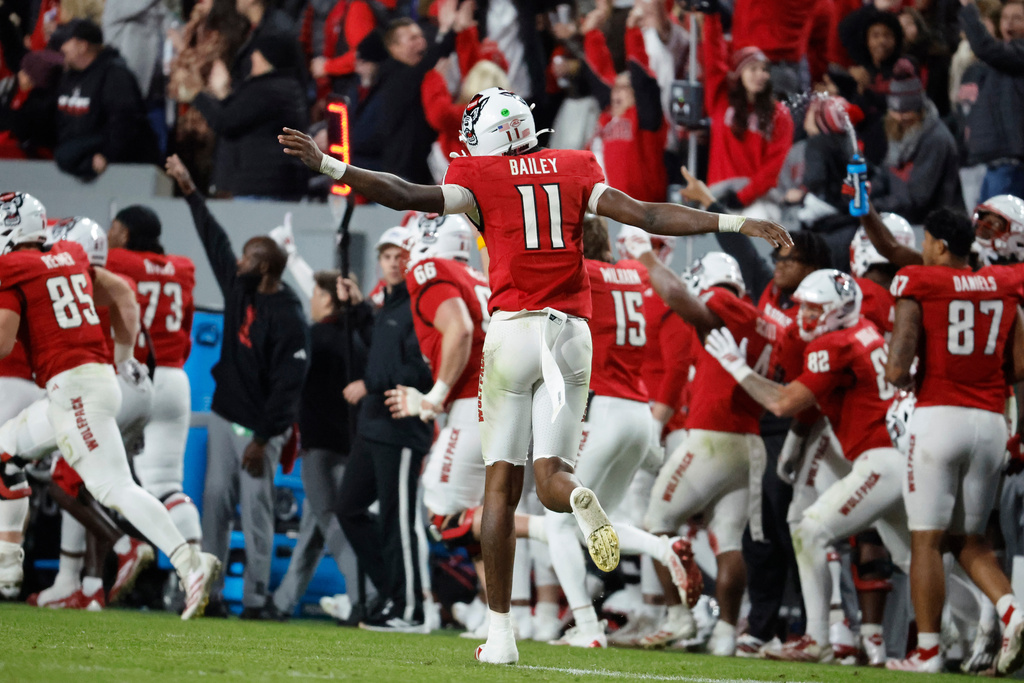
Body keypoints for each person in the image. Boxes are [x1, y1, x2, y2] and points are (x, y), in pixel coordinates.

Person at [279, 85, 790, 665]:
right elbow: (648, 215)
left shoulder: (481, 174)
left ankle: (500, 636)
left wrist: (328, 163)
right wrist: (737, 223)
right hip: (572, 335)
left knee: (501, 485)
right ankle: (578, 496)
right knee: (553, 477)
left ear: (486, 140)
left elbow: (403, 194)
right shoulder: (575, 167)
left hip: (514, 332)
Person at [0, 191, 219, 619]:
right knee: (6, 451)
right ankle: (8, 564)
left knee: (113, 487)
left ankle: (190, 562)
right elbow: (122, 292)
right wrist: (124, 355)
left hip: (75, 388)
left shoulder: (13, 268)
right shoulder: (67, 253)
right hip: (92, 381)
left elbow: (4, 342)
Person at [705, 269, 911, 665]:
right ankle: (997, 619)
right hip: (890, 454)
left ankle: (820, 636)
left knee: (812, 529)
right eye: (803, 308)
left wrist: (736, 365)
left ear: (839, 311)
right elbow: (822, 402)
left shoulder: (835, 343)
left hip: (881, 459)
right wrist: (796, 445)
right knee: (914, 559)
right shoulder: (863, 329)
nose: (804, 317)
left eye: (815, 310)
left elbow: (784, 403)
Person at [543, 215, 701, 650]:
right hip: (640, 413)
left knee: (558, 523)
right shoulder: (633, 272)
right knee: (600, 522)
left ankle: (588, 626)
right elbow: (662, 286)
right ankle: (663, 549)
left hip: (607, 408)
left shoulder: (585, 272)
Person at [164, 154, 311, 620]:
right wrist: (189, 188)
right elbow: (214, 239)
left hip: (259, 429)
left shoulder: (289, 315)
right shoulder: (240, 288)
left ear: (265, 267)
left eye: (249, 256)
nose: (240, 261)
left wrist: (265, 438)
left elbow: (289, 387)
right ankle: (207, 593)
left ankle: (254, 599)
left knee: (258, 513)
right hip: (228, 413)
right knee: (214, 506)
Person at [883, 209, 1024, 674]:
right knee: (973, 540)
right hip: (990, 423)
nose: (922, 249)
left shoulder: (919, 281)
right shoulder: (1003, 282)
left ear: (940, 245)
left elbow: (898, 367)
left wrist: (909, 373)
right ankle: (1013, 612)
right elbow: (1019, 366)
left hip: (939, 416)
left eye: (926, 241)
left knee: (926, 540)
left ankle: (927, 653)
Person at [628, 246, 777, 656]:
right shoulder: (761, 319)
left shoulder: (718, 300)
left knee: (656, 524)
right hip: (750, 441)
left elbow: (680, 298)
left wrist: (649, 260)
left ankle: (680, 618)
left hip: (712, 436)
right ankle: (726, 634)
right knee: (728, 541)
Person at [334, 227, 433, 632]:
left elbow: (422, 369)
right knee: (349, 509)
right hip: (373, 426)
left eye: (401, 255)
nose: (394, 262)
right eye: (388, 255)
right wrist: (358, 310)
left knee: (399, 520)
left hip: (401, 427)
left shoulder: (422, 305)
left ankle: (410, 610)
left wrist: (371, 383)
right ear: (379, 261)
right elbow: (379, 346)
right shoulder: (388, 307)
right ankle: (393, 594)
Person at [272, 270, 372, 619]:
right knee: (312, 531)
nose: (311, 301)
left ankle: (366, 596)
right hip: (351, 444)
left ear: (328, 299)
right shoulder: (359, 339)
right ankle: (282, 602)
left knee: (333, 521)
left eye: (315, 294)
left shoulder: (314, 338)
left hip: (320, 448)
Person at [104, 206, 201, 548]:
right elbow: (187, 327)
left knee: (86, 473)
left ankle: (80, 574)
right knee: (166, 484)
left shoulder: (115, 261)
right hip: (174, 378)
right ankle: (194, 566)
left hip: (129, 375)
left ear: (126, 233)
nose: (107, 234)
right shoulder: (183, 268)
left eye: (113, 228)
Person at [701, 11, 794, 220]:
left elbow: (773, 168)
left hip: (759, 200)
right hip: (719, 193)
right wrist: (711, 17)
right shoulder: (720, 100)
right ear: (738, 73)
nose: (761, 75)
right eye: (753, 68)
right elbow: (713, 58)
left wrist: (743, 197)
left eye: (764, 69)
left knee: (757, 222)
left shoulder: (779, 113)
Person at [194, 31, 309, 200]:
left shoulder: (268, 89)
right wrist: (223, 94)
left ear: (267, 57)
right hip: (272, 185)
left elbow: (226, 122)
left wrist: (195, 95)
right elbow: (240, 115)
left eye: (256, 53)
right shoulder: (285, 88)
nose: (252, 58)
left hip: (263, 188)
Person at [53, 19, 159, 179]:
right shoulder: (70, 77)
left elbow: (126, 121)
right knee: (65, 154)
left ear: (83, 46)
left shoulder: (115, 74)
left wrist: (106, 154)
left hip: (123, 167)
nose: (62, 48)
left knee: (67, 154)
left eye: (67, 42)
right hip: (80, 157)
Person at [869, 59, 964, 223]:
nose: (899, 118)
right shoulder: (900, 129)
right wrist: (864, 192)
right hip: (902, 218)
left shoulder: (935, 138)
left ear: (919, 110)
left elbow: (916, 199)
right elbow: (886, 173)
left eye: (906, 112)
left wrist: (871, 206)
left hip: (932, 225)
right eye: (895, 112)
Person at [960, 0, 1024, 201]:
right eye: (1005, 18)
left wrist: (969, 9)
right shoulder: (1000, 59)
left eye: (1017, 18)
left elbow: (984, 47)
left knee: (1003, 228)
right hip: (990, 162)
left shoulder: (1018, 54)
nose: (1009, 24)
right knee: (985, 228)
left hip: (1010, 164)